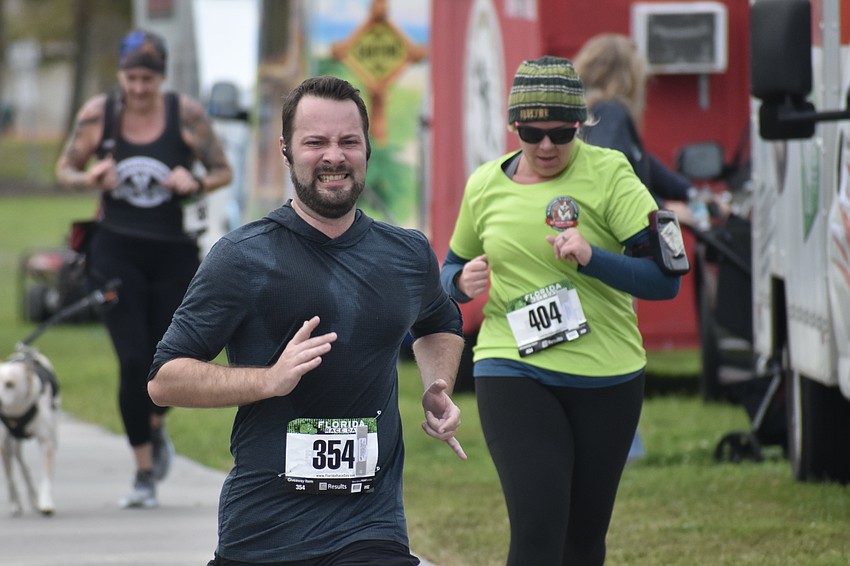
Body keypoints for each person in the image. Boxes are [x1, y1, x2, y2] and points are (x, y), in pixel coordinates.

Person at [147, 75, 467, 566]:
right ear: (286, 150)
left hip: (370, 526)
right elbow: (165, 380)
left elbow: (438, 323)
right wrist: (268, 380)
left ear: (367, 148)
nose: (333, 156)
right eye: (315, 142)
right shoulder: (241, 257)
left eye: (348, 141)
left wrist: (437, 383)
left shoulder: (407, 254)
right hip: (264, 531)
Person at [440, 56, 683, 565]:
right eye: (532, 132)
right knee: (537, 523)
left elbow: (665, 281)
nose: (546, 146)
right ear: (514, 127)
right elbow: (449, 271)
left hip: (608, 375)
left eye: (560, 133)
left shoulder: (612, 173)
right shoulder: (485, 184)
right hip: (512, 366)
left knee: (582, 539)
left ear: (581, 124)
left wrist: (594, 260)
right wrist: (461, 283)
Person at [55, 29, 233, 508]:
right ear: (120, 75)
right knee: (133, 361)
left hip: (173, 252)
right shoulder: (99, 114)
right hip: (114, 250)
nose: (138, 88)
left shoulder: (186, 114)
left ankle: (153, 427)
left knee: (169, 361)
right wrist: (88, 176)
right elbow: (65, 169)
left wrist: (192, 181)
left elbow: (223, 171)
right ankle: (142, 474)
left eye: (148, 79)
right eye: (131, 78)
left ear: (162, 78)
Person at [574, 33, 723, 228]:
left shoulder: (588, 112)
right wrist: (659, 208)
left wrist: (692, 193)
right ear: (628, 78)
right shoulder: (611, 112)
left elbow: (644, 162)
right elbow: (608, 170)